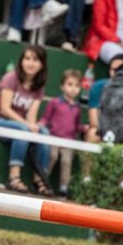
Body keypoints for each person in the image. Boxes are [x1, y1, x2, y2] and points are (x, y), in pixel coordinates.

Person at [0, 45, 50, 194]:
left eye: (35, 60)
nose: (30, 63)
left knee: (44, 132)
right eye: (27, 58)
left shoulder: (39, 86)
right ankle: (14, 178)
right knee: (23, 130)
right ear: (21, 61)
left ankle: (39, 179)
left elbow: (31, 116)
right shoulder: (11, 78)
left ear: (42, 64)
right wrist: (28, 125)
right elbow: (5, 110)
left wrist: (34, 126)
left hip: (21, 124)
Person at [39, 69, 86, 197]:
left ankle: (63, 187)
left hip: (68, 141)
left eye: (77, 86)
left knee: (66, 160)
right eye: (70, 84)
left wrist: (84, 128)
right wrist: (40, 124)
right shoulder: (54, 102)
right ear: (62, 86)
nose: (73, 89)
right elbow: (45, 118)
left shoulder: (77, 107)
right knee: (52, 155)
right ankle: (42, 182)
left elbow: (77, 126)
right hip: (53, 138)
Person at [85, 54, 123, 143]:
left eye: (119, 69)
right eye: (112, 69)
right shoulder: (98, 86)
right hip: (103, 128)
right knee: (93, 133)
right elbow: (94, 121)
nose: (115, 73)